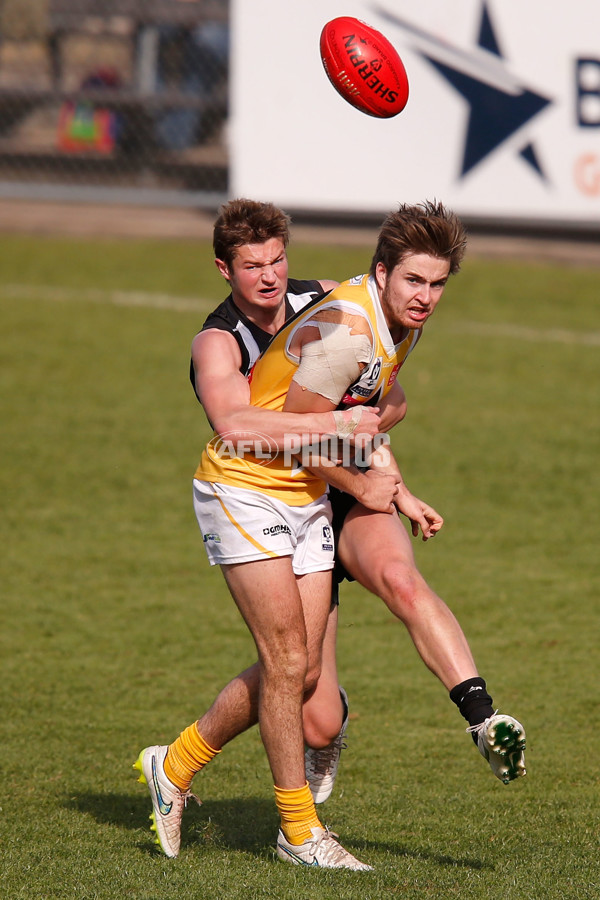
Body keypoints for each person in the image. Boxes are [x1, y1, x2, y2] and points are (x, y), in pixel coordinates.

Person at [134, 199, 526, 870]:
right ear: (383, 274)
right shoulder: (339, 330)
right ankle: (298, 833)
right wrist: (363, 481)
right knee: (287, 661)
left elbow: (370, 411)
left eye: (437, 284)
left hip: (308, 496)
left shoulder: (389, 318)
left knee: (303, 670)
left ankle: (173, 766)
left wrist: (391, 483)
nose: (426, 297)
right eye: (414, 282)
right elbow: (301, 429)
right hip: (246, 486)